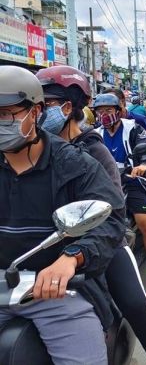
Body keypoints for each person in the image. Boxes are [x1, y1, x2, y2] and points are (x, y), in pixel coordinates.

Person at [35, 66, 146, 365]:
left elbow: (109, 211)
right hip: (45, 248)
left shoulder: (93, 151)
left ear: (69, 106)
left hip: (100, 241)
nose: (39, 114)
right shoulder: (32, 151)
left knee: (135, 303)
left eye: (46, 105)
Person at [0, 66, 125, 364]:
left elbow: (109, 218)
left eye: (8, 114)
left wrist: (71, 258)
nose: (1, 123)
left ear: (36, 112)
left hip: (54, 291)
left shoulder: (73, 162)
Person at [93, 93, 146, 294]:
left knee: (145, 223)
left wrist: (143, 165)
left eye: (108, 111)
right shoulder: (94, 134)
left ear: (118, 111)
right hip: (103, 185)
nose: (104, 115)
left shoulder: (133, 127)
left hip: (131, 179)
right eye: (100, 112)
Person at [104, 88, 146, 239]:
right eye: (102, 109)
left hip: (139, 165)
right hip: (112, 172)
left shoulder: (136, 120)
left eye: (109, 106)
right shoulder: (101, 126)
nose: (105, 112)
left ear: (121, 102)